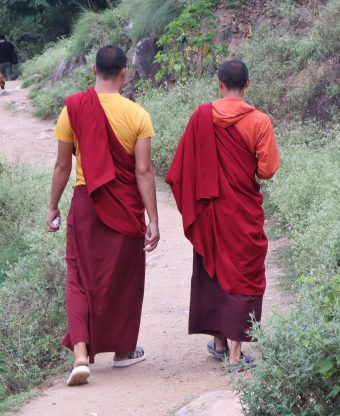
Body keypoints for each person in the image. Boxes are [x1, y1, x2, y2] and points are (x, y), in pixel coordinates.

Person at [46, 45, 160, 387]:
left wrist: (52, 206)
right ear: (125, 73)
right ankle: (123, 351)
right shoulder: (138, 114)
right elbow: (143, 171)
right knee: (124, 279)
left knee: (79, 278)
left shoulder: (73, 110)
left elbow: (63, 165)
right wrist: (153, 219)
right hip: (125, 207)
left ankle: (81, 354)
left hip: (85, 205)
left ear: (93, 70)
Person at [165, 59, 280, 373]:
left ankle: (218, 342)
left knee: (214, 266)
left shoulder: (202, 117)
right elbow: (267, 170)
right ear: (248, 85)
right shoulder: (259, 121)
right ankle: (233, 353)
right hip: (242, 210)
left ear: (219, 84)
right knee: (244, 271)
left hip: (210, 211)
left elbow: (181, 169)